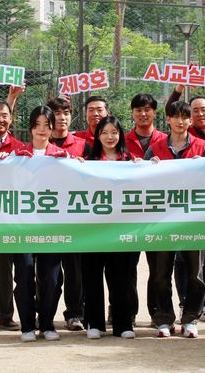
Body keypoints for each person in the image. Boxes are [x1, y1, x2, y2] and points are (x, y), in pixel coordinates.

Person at [144, 101, 205, 339]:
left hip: (193, 221)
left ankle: (191, 318)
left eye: (185, 117)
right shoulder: (155, 149)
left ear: (189, 121)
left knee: (195, 274)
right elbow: (141, 181)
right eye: (175, 116)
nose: (180, 121)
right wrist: (148, 167)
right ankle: (164, 318)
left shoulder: (203, 148)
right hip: (163, 221)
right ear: (167, 120)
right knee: (160, 274)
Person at [1, 105, 69, 342]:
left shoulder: (62, 157)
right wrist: (1, 161)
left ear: (53, 129)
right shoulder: (17, 155)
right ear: (31, 127)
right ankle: (27, 325)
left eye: (47, 126)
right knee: (24, 275)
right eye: (38, 125)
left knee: (51, 278)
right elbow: (1, 179)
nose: (42, 130)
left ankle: (47, 323)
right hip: (22, 227)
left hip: (52, 228)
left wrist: (76, 163)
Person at [165, 88, 205, 325]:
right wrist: (177, 90)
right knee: (182, 260)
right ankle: (185, 306)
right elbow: (171, 107)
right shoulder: (171, 140)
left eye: (203, 110)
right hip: (174, 213)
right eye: (195, 109)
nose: (199, 114)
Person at [83, 116, 141, 340]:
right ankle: (94, 323)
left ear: (120, 135)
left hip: (121, 230)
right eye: (105, 132)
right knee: (92, 277)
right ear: (98, 136)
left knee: (121, 278)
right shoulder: (87, 162)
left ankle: (123, 324)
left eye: (114, 132)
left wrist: (147, 166)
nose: (110, 137)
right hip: (93, 231)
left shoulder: (131, 161)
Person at [46, 96, 88, 331]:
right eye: (57, 113)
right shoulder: (38, 145)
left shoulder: (83, 145)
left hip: (75, 219)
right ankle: (46, 314)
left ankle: (74, 313)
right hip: (46, 220)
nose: (61, 118)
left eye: (66, 113)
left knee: (75, 271)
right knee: (49, 274)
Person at [125, 94, 168, 324]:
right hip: (128, 214)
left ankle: (156, 312)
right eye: (139, 110)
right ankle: (127, 311)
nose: (143, 114)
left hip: (157, 214)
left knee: (158, 268)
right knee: (127, 267)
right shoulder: (122, 140)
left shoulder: (165, 140)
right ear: (132, 113)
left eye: (148, 109)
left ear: (155, 113)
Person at [0, 100, 23, 331]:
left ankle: (6, 315)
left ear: (11, 119)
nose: (1, 119)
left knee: (6, 268)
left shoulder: (19, 147)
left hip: (8, 217)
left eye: (5, 115)